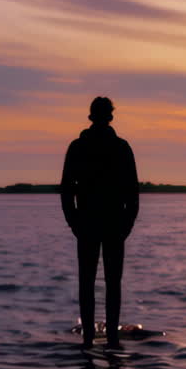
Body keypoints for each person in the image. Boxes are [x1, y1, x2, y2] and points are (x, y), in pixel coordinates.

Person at [60, 96, 140, 350]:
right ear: (110, 117)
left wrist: (74, 222)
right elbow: (133, 193)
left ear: (92, 117)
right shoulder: (119, 147)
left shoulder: (80, 147)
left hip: (93, 223)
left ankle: (89, 340)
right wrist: (126, 225)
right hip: (107, 223)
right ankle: (109, 339)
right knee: (111, 284)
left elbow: (66, 191)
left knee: (88, 282)